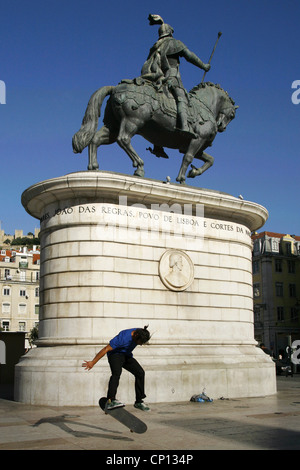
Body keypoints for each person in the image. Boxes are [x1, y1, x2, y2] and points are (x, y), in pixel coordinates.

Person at [140, 15, 210, 136]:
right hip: (171, 77)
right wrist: (203, 66)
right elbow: (190, 56)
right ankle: (184, 126)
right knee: (181, 97)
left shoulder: (156, 46)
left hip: (156, 78)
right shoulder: (173, 43)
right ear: (170, 33)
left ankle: (157, 145)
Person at [82, 326, 151, 411]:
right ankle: (111, 400)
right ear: (135, 336)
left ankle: (139, 401)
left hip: (126, 355)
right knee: (116, 373)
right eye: (139, 342)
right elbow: (106, 349)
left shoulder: (141, 332)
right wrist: (93, 362)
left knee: (140, 372)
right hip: (115, 355)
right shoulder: (123, 338)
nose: (139, 344)